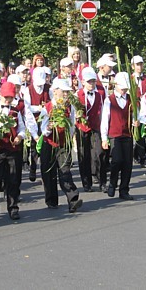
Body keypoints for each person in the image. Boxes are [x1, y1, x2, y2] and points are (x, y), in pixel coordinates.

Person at [0, 82, 28, 219]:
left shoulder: (15, 111)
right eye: (6, 97)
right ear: (0, 95)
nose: (8, 100)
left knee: (13, 179)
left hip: (13, 149)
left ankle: (13, 208)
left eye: (11, 97)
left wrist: (20, 137)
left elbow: (21, 128)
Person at [39, 78, 83, 213]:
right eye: (63, 91)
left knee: (65, 171)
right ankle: (51, 200)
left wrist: (69, 137)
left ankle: (73, 198)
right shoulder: (47, 107)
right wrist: (49, 127)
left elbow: (71, 124)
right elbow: (43, 128)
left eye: (67, 92)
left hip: (64, 144)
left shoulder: (69, 106)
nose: (65, 94)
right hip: (49, 143)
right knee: (48, 173)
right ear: (55, 91)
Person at [100, 72, 137, 201]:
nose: (124, 91)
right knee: (116, 161)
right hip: (114, 134)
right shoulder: (109, 100)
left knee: (127, 163)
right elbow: (105, 119)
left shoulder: (130, 100)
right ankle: (112, 183)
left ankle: (124, 189)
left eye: (126, 88)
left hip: (127, 134)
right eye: (122, 88)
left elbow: (135, 116)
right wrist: (104, 138)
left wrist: (136, 122)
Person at [74, 67, 105, 192]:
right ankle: (86, 182)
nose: (91, 84)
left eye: (93, 81)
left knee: (99, 153)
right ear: (83, 82)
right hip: (82, 128)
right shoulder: (77, 95)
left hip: (95, 127)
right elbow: (73, 112)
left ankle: (102, 181)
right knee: (84, 155)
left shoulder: (99, 95)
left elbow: (102, 112)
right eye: (89, 82)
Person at [130, 55, 146, 168]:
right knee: (136, 131)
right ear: (133, 66)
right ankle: (137, 153)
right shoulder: (130, 78)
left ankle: (142, 156)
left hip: (144, 107)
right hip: (135, 108)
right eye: (137, 64)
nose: (139, 66)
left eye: (141, 64)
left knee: (142, 132)